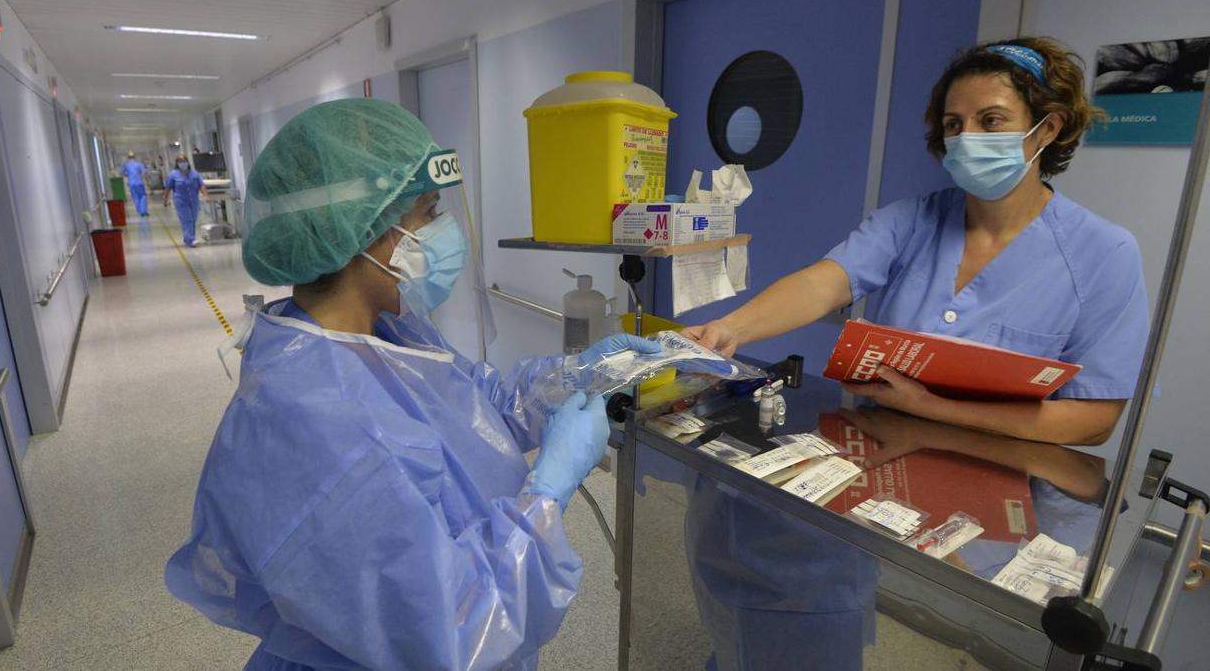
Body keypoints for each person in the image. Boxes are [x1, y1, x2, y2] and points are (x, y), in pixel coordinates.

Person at [165, 98, 660, 671]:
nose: (442, 231)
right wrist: (546, 495)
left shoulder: (387, 332)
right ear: (366, 232)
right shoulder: (311, 416)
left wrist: (579, 375)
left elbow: (478, 404)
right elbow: (452, 632)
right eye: (427, 212)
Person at [686, 38, 1149, 446]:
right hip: (880, 455)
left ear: (1047, 129)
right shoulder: (911, 221)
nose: (967, 138)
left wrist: (930, 406)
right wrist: (732, 328)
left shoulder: (1104, 254)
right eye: (954, 124)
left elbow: (1094, 421)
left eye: (991, 121)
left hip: (1005, 485)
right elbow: (824, 284)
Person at [162, 155, 208, 247]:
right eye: (180, 162)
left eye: (184, 161)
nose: (183, 163)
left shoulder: (194, 173)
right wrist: (165, 200)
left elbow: (201, 185)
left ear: (187, 162)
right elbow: (168, 188)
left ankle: (188, 237)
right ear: (177, 164)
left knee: (193, 219)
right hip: (181, 201)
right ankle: (191, 239)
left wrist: (205, 194)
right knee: (187, 219)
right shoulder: (173, 174)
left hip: (194, 200)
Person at [121, 151, 149, 217]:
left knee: (135, 197)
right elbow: (144, 173)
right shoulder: (139, 164)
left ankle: (140, 211)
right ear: (135, 157)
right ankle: (144, 211)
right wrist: (147, 182)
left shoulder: (126, 165)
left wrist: (128, 175)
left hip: (131, 183)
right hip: (139, 183)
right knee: (143, 196)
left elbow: (122, 172)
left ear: (128, 157)